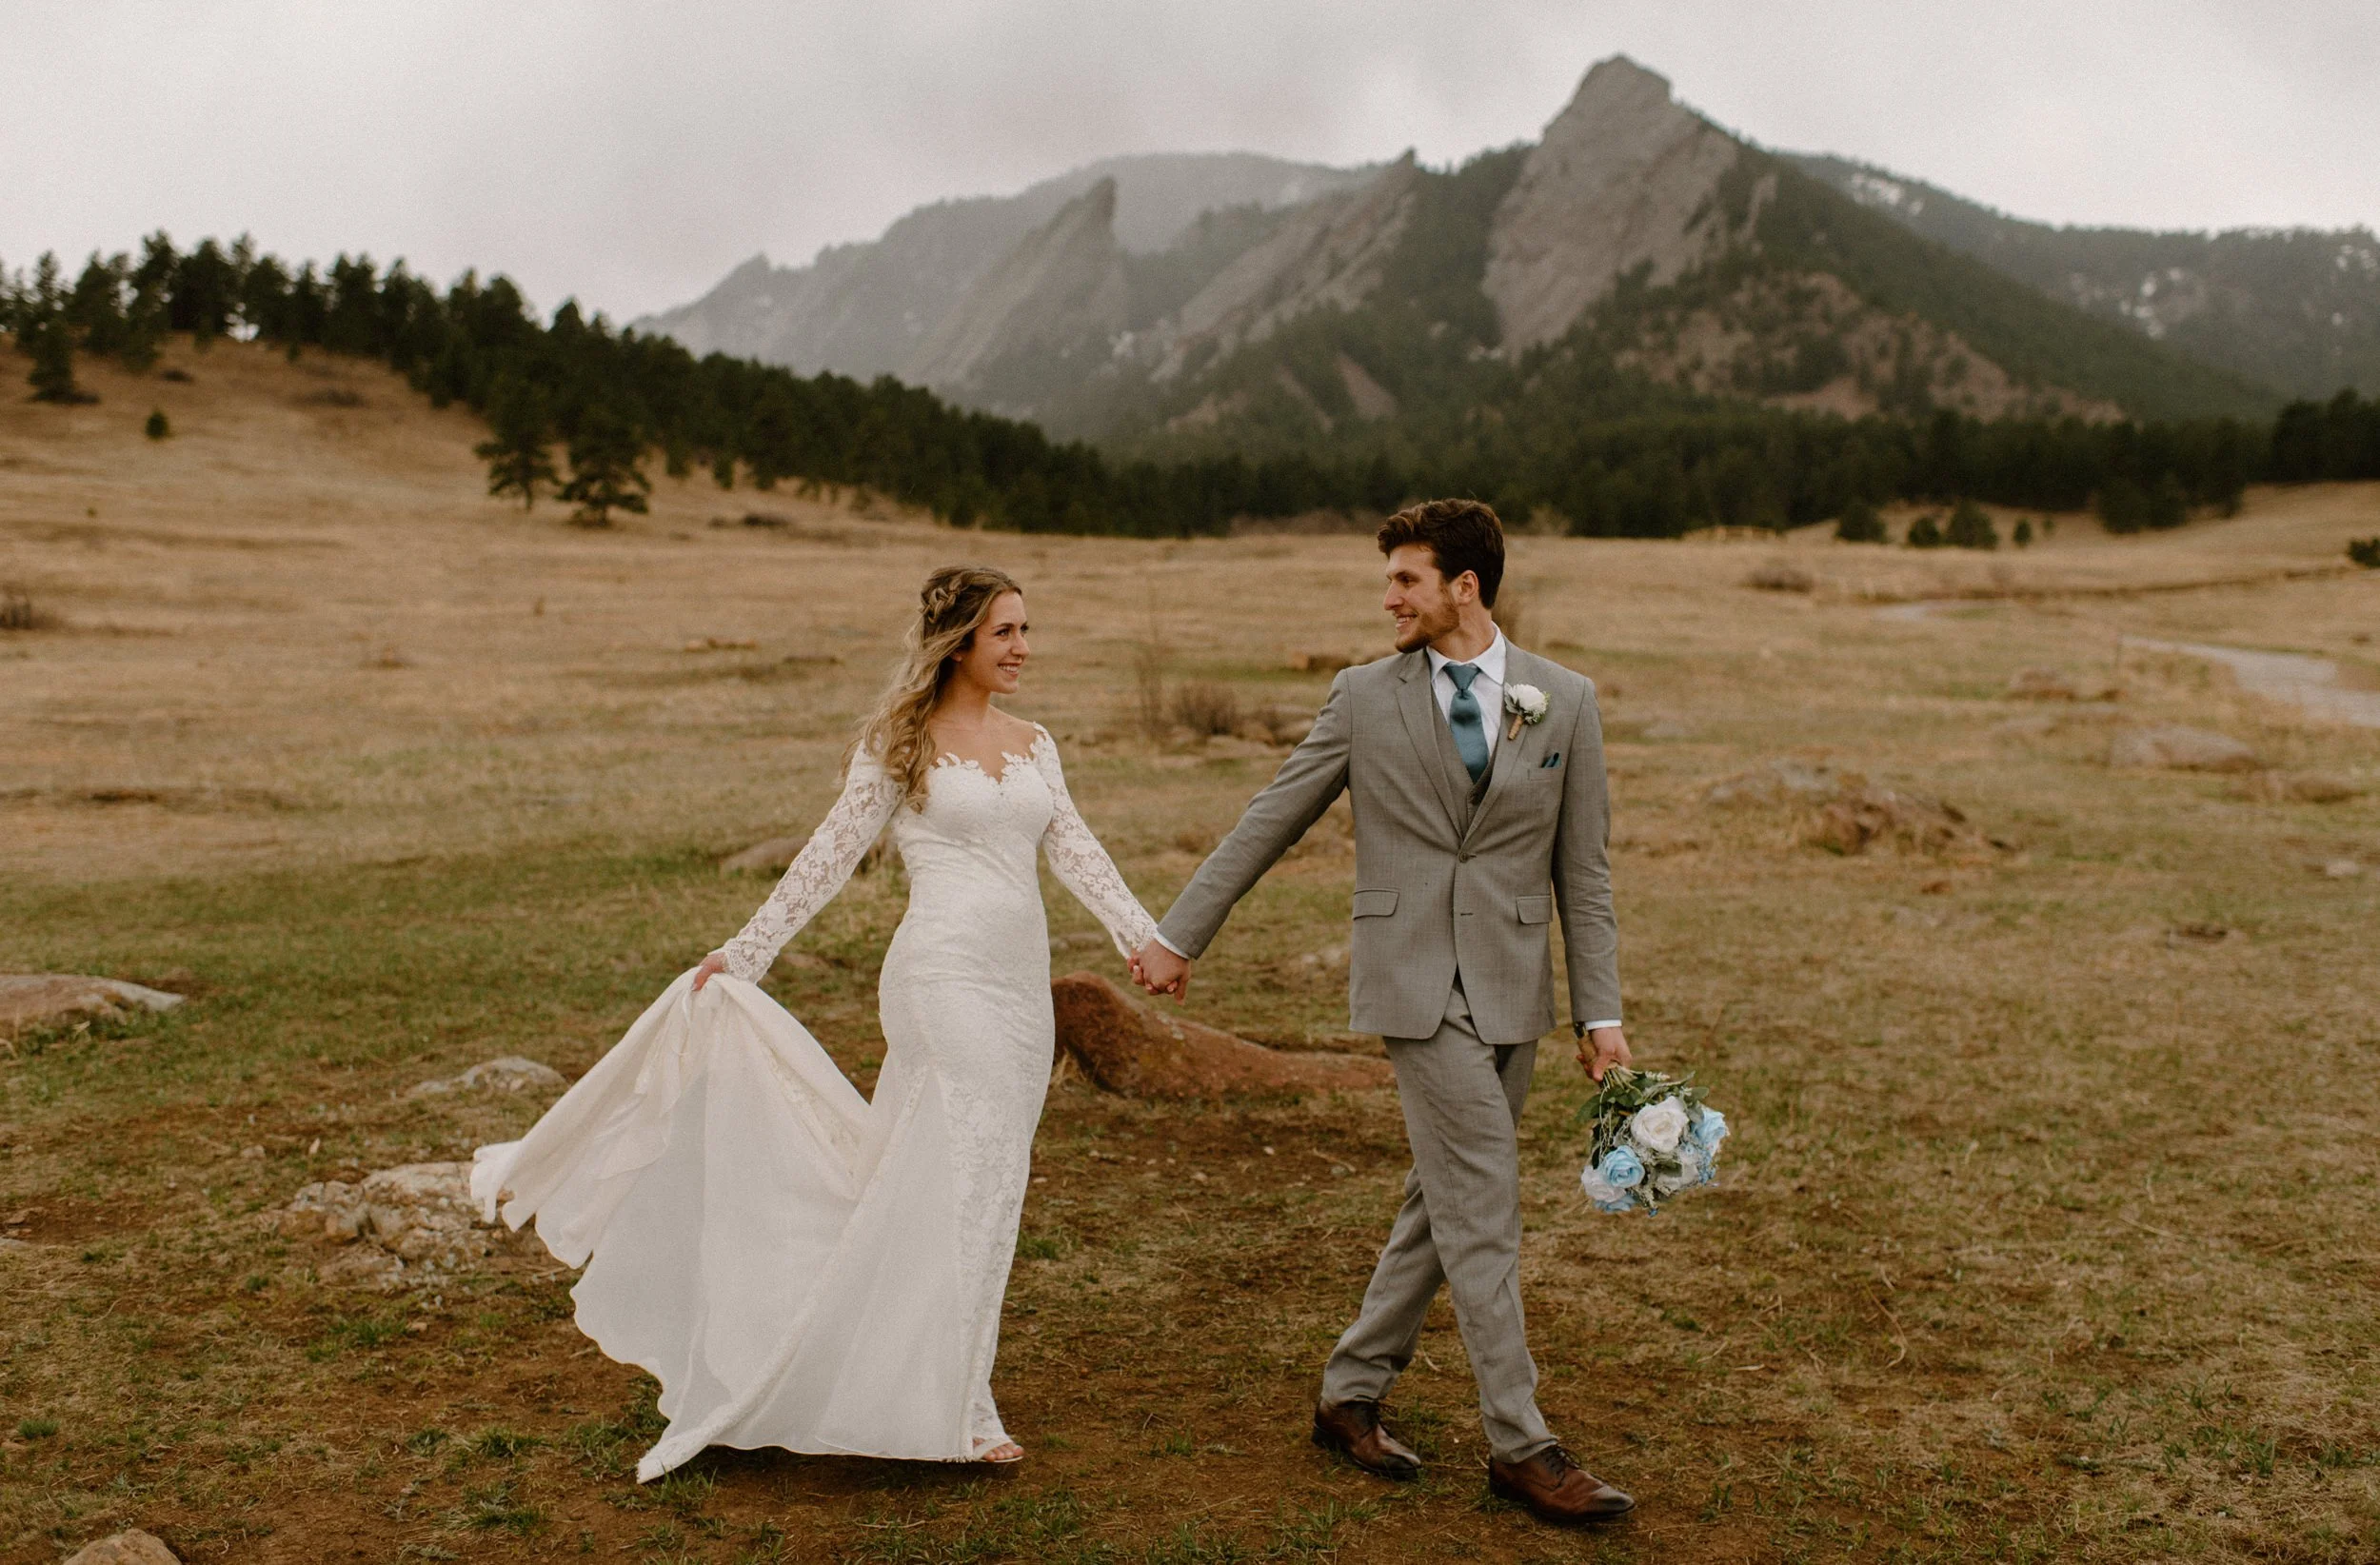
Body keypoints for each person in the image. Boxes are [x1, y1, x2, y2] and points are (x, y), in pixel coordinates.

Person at [472, 565, 1159, 1479]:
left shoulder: (1036, 744)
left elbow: (1075, 847)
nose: (1023, 648)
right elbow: (829, 856)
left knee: (991, 1189)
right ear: (958, 641)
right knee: (965, 1183)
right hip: (941, 981)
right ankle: (961, 1407)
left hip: (1018, 993)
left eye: (1026, 630)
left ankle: (929, 1379)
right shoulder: (902, 743)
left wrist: (1145, 937)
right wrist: (745, 953)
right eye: (1005, 632)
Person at [1130, 499, 1636, 1526]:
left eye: (1407, 579)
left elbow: (1582, 875)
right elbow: (1271, 817)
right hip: (1412, 984)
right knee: (1483, 1201)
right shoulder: (1362, 697)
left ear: (1464, 586)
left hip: (1513, 990)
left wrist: (1601, 1013)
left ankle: (1349, 1391)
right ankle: (1521, 1445)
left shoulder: (1565, 701)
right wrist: (1179, 935)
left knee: (1439, 1202)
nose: (1389, 598)